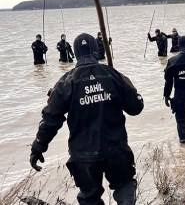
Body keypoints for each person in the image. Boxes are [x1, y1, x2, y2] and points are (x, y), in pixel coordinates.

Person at [29, 33, 144, 205]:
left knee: (90, 197)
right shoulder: (113, 75)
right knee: (125, 186)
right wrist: (131, 91)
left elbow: (51, 119)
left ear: (75, 54)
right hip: (116, 149)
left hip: (83, 156)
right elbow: (136, 107)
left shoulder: (66, 82)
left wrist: (38, 146)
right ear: (97, 50)